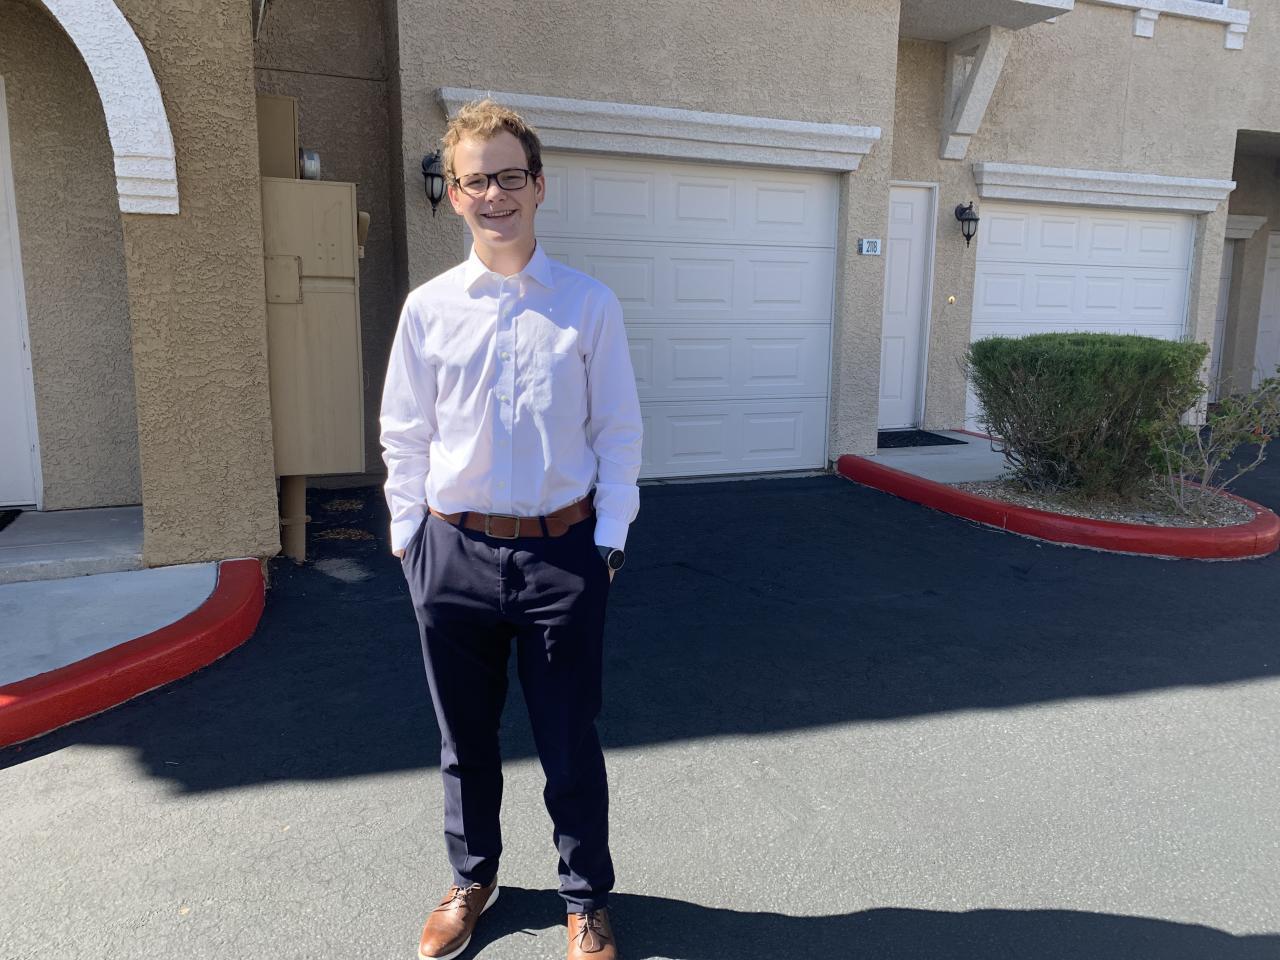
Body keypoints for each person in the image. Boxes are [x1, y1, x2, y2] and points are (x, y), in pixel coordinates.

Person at [379, 98, 642, 960]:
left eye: (510, 176)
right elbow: (405, 431)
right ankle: (472, 878)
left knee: (569, 739)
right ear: (454, 195)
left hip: (562, 553)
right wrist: (409, 538)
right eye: (475, 180)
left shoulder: (588, 305)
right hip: (450, 551)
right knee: (464, 740)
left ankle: (584, 899)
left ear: (539, 186)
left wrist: (608, 540)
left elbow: (619, 431)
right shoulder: (428, 309)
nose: (494, 194)